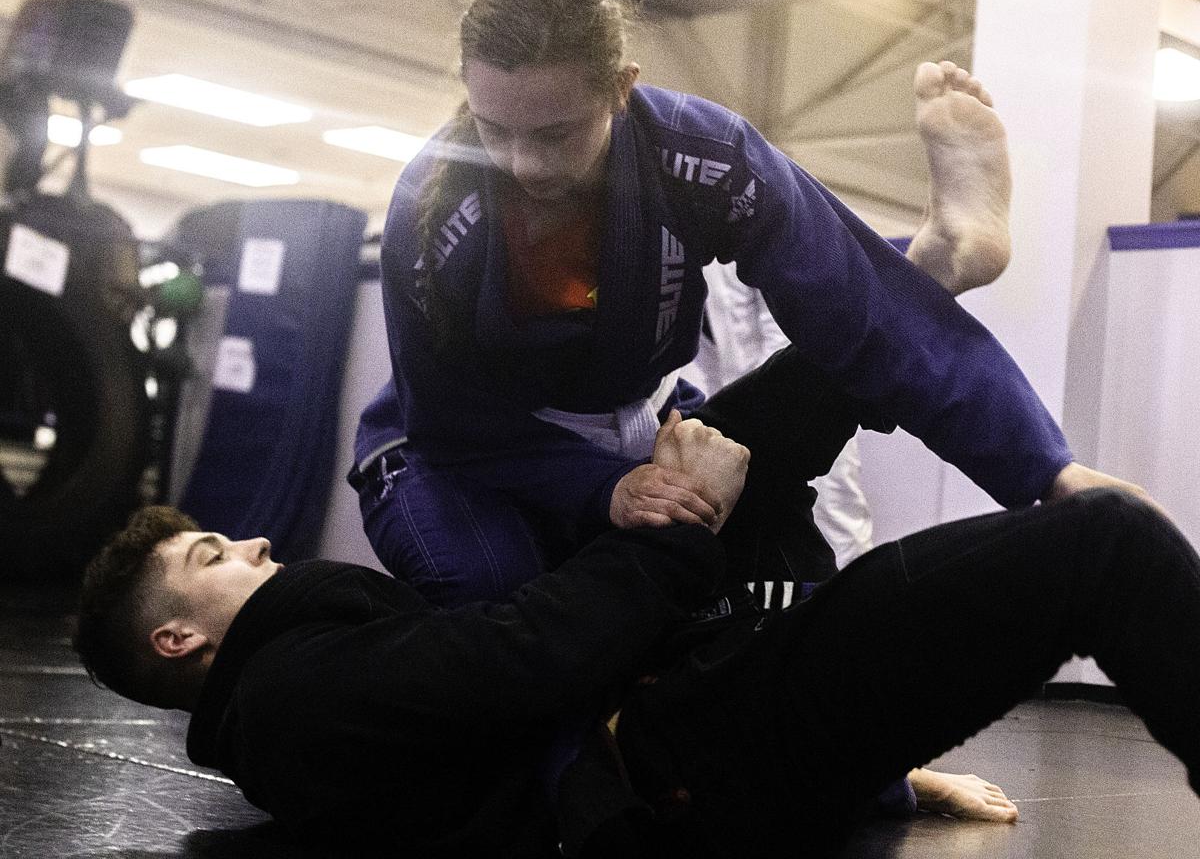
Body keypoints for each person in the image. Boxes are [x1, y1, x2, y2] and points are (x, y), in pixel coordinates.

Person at [354, 0, 1125, 619]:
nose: (523, 164)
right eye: (495, 130)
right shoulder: (434, 204)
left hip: (640, 426)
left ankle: (932, 269)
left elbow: (855, 312)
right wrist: (605, 494)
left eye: (556, 133)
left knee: (762, 570)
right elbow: (452, 424)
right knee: (503, 587)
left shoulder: (699, 154)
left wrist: (1047, 473)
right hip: (449, 453)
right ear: (467, 87)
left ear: (622, 87)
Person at [74, 405, 1200, 858]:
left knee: (743, 428)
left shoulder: (297, 698)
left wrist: (885, 774)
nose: (256, 548)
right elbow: (529, 660)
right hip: (694, 754)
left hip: (698, 732)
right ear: (178, 643)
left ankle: (923, 282)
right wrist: (683, 525)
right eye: (212, 558)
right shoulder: (295, 695)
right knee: (1100, 544)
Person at [0, 0, 90, 198]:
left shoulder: (72, 22)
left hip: (36, 88)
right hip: (15, 85)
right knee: (31, 139)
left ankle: (20, 192)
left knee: (36, 142)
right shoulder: (36, 8)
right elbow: (16, 47)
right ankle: (16, 191)